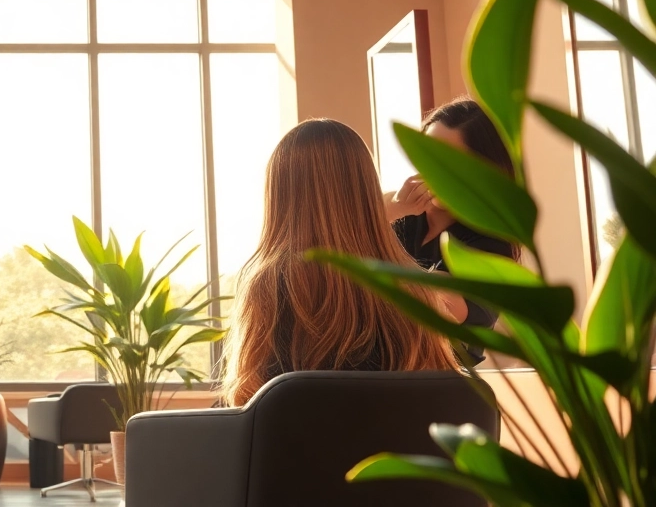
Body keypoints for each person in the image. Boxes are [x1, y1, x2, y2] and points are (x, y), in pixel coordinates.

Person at [221, 118, 459, 407]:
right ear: (367, 192)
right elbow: (442, 402)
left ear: (280, 200)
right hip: (394, 450)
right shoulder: (416, 291)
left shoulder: (267, 286)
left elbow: (247, 399)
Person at [385, 98, 516, 363]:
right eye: (426, 155)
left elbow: (437, 303)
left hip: (439, 384)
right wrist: (392, 211)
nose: (433, 171)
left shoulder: (492, 245)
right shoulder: (398, 211)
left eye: (448, 162)